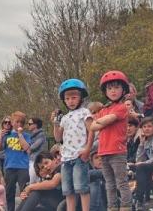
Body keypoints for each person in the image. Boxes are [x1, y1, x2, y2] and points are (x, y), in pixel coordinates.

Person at [89, 71, 140, 211]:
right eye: (109, 88)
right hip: (103, 151)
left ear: (123, 89)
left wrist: (100, 122)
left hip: (117, 151)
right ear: (105, 91)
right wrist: (100, 122)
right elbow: (92, 126)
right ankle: (112, 207)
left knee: (121, 183)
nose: (113, 91)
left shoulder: (122, 107)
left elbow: (106, 120)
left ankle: (126, 207)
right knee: (109, 184)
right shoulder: (105, 108)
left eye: (116, 87)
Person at [52, 79, 93, 211]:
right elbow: (58, 138)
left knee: (82, 188)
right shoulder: (64, 118)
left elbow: (91, 130)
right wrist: (55, 123)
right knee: (68, 190)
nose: (70, 101)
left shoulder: (85, 112)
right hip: (66, 158)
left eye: (74, 97)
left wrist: (87, 149)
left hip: (79, 156)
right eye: (67, 98)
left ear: (81, 97)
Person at [0, 111, 32, 211]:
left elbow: (26, 148)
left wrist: (20, 135)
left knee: (24, 192)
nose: (19, 124)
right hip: (9, 167)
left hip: (23, 168)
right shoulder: (7, 135)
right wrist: (1, 137)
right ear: (12, 122)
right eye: (17, 122)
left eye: (21, 122)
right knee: (9, 193)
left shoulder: (26, 135)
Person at [25, 117, 47, 183]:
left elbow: (33, 147)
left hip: (36, 161)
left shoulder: (41, 135)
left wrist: (26, 147)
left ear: (35, 125)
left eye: (29, 124)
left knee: (33, 180)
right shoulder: (31, 136)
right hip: (31, 160)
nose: (28, 125)